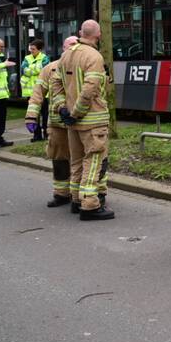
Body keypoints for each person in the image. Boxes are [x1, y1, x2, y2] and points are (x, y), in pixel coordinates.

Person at [57, 19, 115, 221]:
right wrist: (76, 112)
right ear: (98, 36)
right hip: (91, 121)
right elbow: (91, 88)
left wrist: (63, 109)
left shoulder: (66, 54)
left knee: (77, 161)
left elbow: (56, 84)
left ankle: (76, 200)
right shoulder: (94, 56)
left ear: (81, 33)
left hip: (72, 122)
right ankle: (90, 204)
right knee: (93, 160)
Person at [26, 36, 78, 208]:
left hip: (80, 123)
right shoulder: (50, 68)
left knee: (82, 160)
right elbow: (37, 93)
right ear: (63, 47)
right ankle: (62, 194)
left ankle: (83, 196)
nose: (73, 48)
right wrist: (31, 116)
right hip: (57, 124)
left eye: (76, 45)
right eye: (70, 45)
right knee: (59, 158)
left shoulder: (85, 65)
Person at [20, 39, 50, 142]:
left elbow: (44, 69)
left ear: (39, 49)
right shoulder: (27, 58)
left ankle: (46, 133)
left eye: (33, 49)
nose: (31, 51)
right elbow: (23, 70)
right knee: (33, 115)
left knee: (45, 114)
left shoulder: (45, 58)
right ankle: (37, 135)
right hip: (30, 92)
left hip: (43, 91)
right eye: (30, 48)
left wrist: (30, 69)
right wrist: (36, 68)